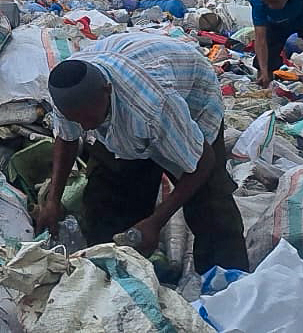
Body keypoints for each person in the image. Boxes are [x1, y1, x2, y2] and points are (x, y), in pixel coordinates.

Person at [35, 34, 249, 274]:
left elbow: (203, 161)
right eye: (77, 120)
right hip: (131, 96)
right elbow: (67, 138)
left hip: (191, 97)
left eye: (89, 119)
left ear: (107, 90)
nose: (85, 127)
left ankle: (227, 283)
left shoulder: (153, 106)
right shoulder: (70, 96)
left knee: (209, 205)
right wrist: (53, 200)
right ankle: (113, 274)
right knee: (106, 198)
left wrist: (156, 222)